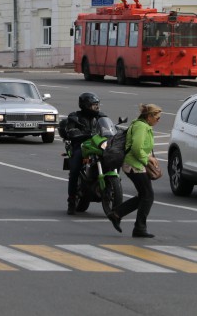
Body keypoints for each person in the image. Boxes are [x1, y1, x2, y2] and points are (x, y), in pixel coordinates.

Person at [106, 103, 161, 238]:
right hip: (134, 165)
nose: (158, 120)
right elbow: (136, 148)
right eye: (157, 117)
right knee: (148, 195)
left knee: (144, 195)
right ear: (149, 116)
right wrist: (148, 159)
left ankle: (117, 214)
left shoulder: (143, 126)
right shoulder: (141, 127)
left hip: (136, 164)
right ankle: (139, 228)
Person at [64, 92, 105, 215]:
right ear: (85, 105)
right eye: (93, 105)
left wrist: (116, 130)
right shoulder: (74, 117)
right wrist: (75, 133)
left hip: (97, 145)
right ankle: (71, 201)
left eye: (97, 105)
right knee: (75, 170)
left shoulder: (101, 117)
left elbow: (109, 127)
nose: (96, 108)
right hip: (80, 146)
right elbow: (70, 130)